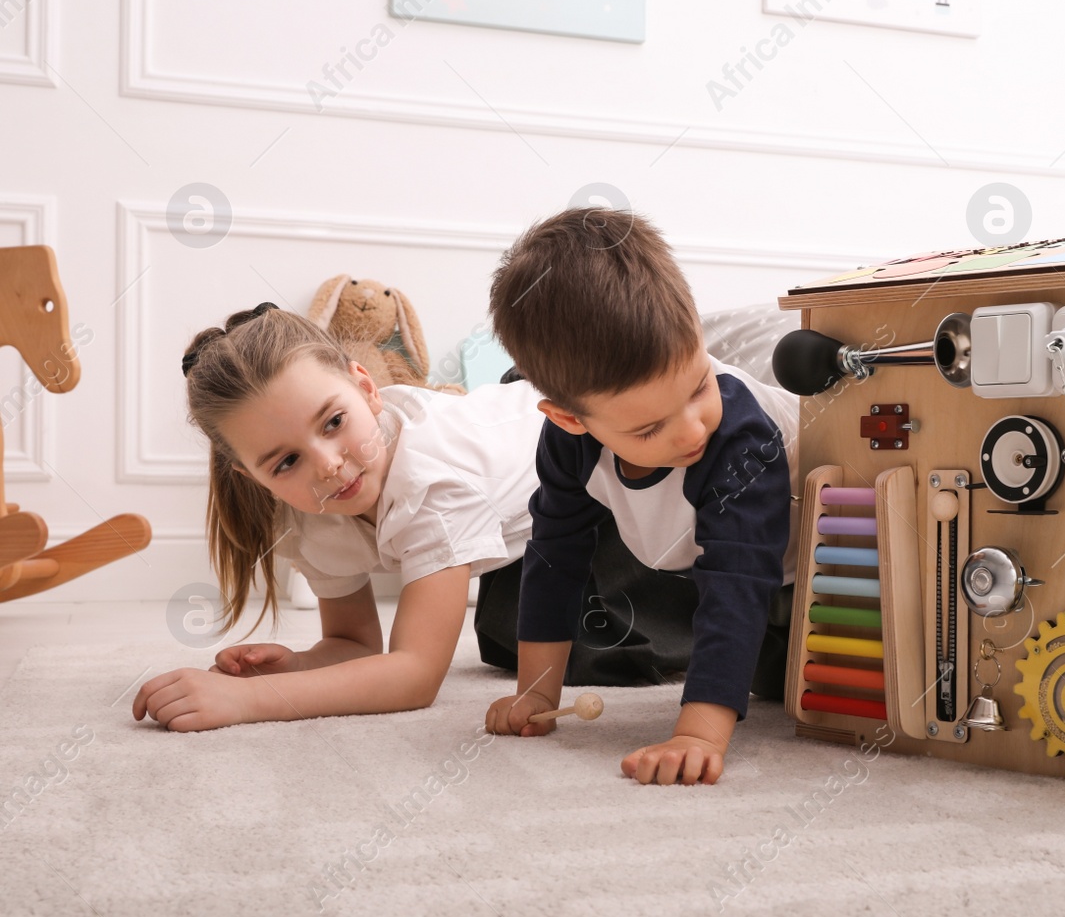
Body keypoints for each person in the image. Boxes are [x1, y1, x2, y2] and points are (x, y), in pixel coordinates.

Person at [480, 207, 798, 786]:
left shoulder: (743, 441)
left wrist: (698, 734)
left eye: (700, 386)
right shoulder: (566, 444)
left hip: (817, 561)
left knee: (810, 686)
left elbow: (737, 580)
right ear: (570, 420)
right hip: (704, 560)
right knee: (768, 674)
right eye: (649, 429)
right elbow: (554, 556)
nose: (691, 431)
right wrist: (534, 693)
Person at [132, 304, 545, 731]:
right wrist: (298, 665)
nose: (328, 465)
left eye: (333, 422)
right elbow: (355, 645)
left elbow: (416, 677)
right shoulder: (309, 518)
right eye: (287, 461)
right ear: (252, 477)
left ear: (366, 387)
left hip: (591, 440)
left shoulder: (433, 478)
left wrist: (246, 699)